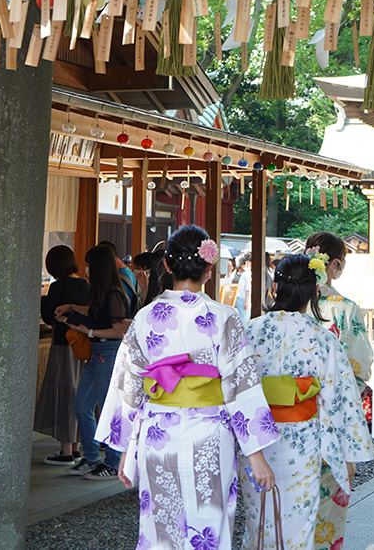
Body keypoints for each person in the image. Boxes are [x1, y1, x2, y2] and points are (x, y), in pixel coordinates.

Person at [95, 224, 277, 550]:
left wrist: (124, 450)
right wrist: (256, 455)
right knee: (210, 523)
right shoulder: (224, 317)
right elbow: (242, 385)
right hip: (209, 433)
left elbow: (129, 386)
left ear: (166, 265)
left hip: (157, 434)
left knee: (161, 528)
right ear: (209, 268)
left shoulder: (146, 317)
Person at [239, 253, 373, 550]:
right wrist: (347, 454)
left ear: (274, 288)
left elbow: (234, 392)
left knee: (258, 523)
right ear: (315, 291)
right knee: (297, 530)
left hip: (256, 446)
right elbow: (340, 400)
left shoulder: (248, 332)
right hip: (302, 446)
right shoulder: (323, 339)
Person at [304, 231, 374, 550]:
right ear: (334, 264)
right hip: (331, 421)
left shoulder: (286, 301)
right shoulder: (344, 308)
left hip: (283, 420)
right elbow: (359, 366)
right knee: (326, 509)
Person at [55, 244, 129, 480]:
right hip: (98, 353)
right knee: (82, 405)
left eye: (88, 264)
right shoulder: (104, 292)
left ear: (97, 267)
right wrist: (72, 308)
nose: (85, 268)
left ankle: (112, 462)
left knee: (109, 409)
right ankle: (91, 458)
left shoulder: (115, 293)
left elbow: (119, 331)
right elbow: (97, 312)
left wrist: (88, 331)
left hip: (107, 352)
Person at [34, 245, 90, 466]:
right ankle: (75, 448)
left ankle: (65, 451)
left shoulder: (57, 286)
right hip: (82, 344)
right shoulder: (84, 284)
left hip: (62, 344)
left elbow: (48, 317)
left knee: (64, 390)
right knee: (77, 390)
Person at [234, 251, 252, 324]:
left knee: (242, 320)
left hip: (240, 298)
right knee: (243, 320)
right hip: (241, 298)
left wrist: (247, 301)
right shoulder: (246, 273)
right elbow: (247, 289)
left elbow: (248, 289)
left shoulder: (240, 273)